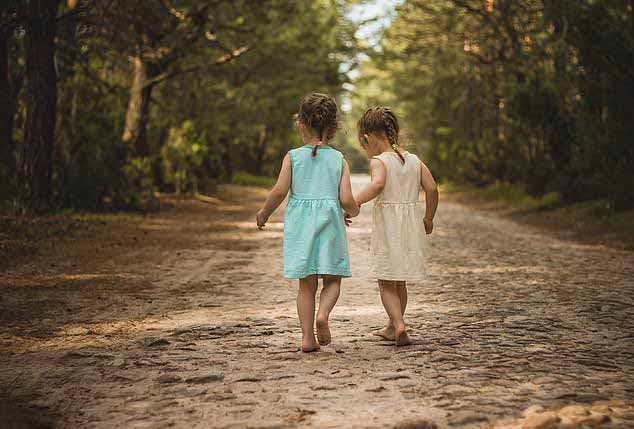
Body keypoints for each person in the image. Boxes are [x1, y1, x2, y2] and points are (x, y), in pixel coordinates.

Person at [256, 93, 359, 352]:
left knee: (306, 284)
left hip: (301, 230)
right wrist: (353, 211)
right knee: (333, 280)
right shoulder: (338, 159)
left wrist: (264, 213)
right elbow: (346, 199)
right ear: (333, 128)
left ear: (301, 123)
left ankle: (307, 337)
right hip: (330, 226)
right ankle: (323, 315)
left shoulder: (292, 157)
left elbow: (279, 191)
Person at [354, 106, 438, 346]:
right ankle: (393, 326)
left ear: (368, 137)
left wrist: (354, 202)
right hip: (411, 225)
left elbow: (378, 185)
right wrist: (429, 217)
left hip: (389, 227)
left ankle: (398, 324)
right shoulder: (414, 160)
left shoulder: (379, 161)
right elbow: (432, 188)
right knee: (399, 279)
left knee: (385, 279)